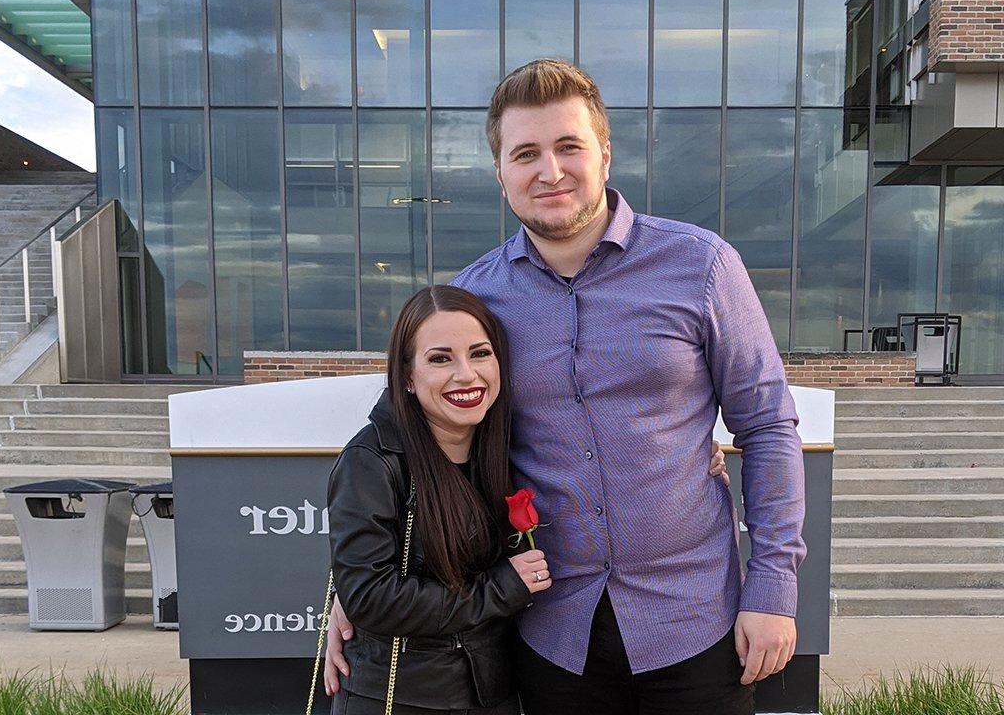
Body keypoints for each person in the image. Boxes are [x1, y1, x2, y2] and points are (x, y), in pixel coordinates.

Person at [327, 59, 806, 715]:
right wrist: (348, 592)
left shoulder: (701, 266)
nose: (549, 171)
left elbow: (768, 426)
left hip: (697, 623)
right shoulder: (474, 299)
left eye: (568, 146)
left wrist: (772, 589)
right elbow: (402, 438)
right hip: (551, 634)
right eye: (525, 153)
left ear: (604, 155)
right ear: (501, 173)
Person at [324, 285, 729, 715]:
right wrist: (502, 589)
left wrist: (683, 453)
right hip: (406, 697)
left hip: (494, 691)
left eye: (480, 353)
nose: (466, 374)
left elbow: (591, 456)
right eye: (440, 358)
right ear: (406, 375)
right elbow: (369, 597)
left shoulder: (502, 447)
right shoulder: (372, 460)